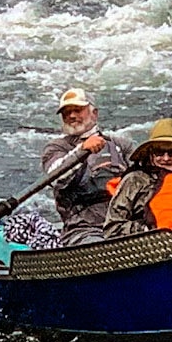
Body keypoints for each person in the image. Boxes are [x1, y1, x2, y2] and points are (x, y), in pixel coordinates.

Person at [41, 88, 129, 242]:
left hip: (124, 223)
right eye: (66, 113)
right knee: (99, 247)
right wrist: (81, 151)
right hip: (82, 229)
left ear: (94, 113)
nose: (72, 116)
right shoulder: (55, 148)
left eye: (77, 110)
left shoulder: (120, 145)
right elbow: (55, 177)